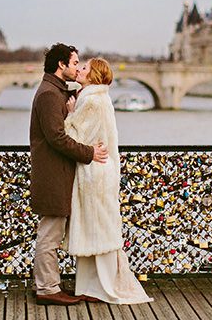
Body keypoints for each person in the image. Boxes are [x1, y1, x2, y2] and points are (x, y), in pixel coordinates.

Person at [64, 57, 153, 304]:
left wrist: (70, 114)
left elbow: (74, 135)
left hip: (94, 173)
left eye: (84, 68)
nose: (79, 70)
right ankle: (91, 287)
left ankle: (100, 287)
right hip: (98, 171)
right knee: (97, 231)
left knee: (96, 232)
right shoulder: (95, 96)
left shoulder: (91, 101)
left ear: (93, 76)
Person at [29, 43, 108, 306]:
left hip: (58, 172)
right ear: (61, 65)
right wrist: (89, 153)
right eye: (75, 63)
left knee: (52, 232)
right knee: (50, 234)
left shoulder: (56, 90)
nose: (77, 67)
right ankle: (48, 288)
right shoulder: (50, 95)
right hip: (53, 173)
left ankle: (47, 283)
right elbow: (57, 138)